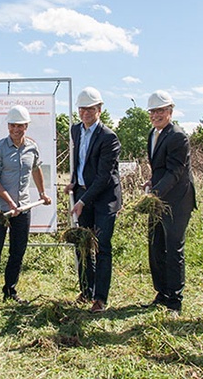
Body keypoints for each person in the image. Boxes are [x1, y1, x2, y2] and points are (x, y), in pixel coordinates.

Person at [0, 105, 52, 309]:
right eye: (12, 125)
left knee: (17, 251)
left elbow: (36, 169)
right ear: (8, 126)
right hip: (0, 210)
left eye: (20, 126)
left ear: (26, 126)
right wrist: (10, 203)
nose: (16, 129)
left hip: (24, 207)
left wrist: (42, 193)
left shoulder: (32, 147)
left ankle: (10, 290)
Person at [63, 87, 122, 313]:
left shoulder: (109, 137)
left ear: (99, 110)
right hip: (83, 195)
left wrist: (83, 200)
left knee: (102, 245)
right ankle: (86, 290)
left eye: (90, 109)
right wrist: (74, 183)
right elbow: (80, 162)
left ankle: (100, 298)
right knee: (83, 245)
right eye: (82, 109)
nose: (85, 113)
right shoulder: (76, 130)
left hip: (104, 197)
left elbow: (103, 176)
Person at [142, 90, 196, 316]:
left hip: (177, 200)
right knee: (156, 247)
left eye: (161, 111)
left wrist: (154, 193)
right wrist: (151, 183)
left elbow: (175, 171)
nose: (157, 115)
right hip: (158, 199)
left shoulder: (177, 136)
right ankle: (162, 293)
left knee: (173, 249)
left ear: (170, 111)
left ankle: (175, 300)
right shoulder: (153, 134)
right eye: (153, 111)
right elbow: (160, 168)